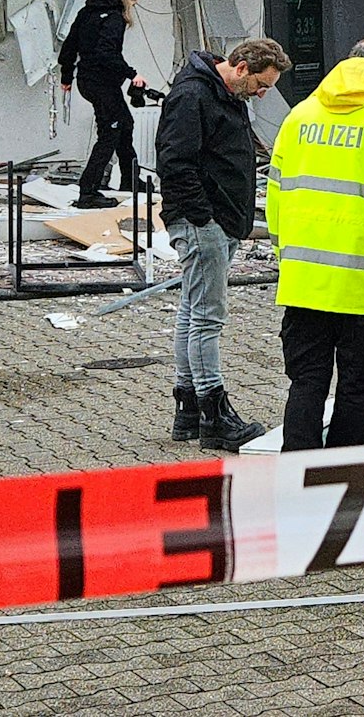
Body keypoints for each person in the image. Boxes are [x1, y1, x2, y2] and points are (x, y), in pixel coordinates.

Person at [266, 37, 364, 451]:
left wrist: (288, 253)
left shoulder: (299, 115)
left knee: (306, 383)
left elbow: (276, 194)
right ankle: (344, 482)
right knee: (357, 389)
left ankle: (296, 476)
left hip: (303, 283)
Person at [156, 37, 290, 452]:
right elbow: (175, 161)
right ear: (242, 68)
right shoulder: (194, 94)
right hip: (206, 222)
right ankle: (215, 413)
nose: (263, 94)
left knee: (193, 311)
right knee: (208, 318)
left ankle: (189, 409)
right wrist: (203, 217)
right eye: (262, 86)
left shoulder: (221, 93)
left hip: (219, 219)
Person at [59, 0, 147, 209]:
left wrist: (66, 77)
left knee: (124, 124)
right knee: (109, 133)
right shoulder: (115, 18)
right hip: (102, 83)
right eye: (134, 3)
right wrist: (132, 74)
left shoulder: (87, 11)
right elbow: (106, 53)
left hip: (86, 80)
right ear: (128, 0)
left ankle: (130, 180)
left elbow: (70, 45)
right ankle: (87, 192)